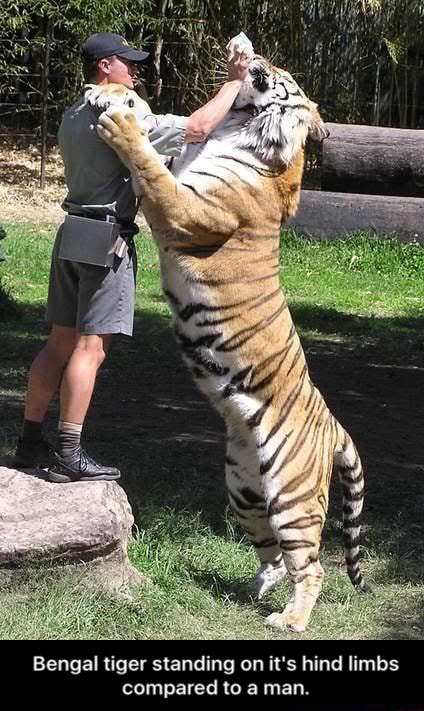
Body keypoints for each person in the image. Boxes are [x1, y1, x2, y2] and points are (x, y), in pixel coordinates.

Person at [14, 31, 253, 483]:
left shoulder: (73, 114)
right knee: (91, 348)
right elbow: (198, 128)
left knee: (58, 343)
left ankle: (30, 441)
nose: (136, 69)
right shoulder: (120, 115)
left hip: (71, 233)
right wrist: (233, 82)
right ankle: (69, 449)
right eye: (128, 61)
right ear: (106, 66)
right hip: (107, 239)